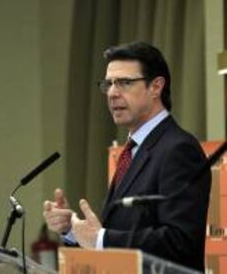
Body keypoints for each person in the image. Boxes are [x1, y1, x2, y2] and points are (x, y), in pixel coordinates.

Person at [43, 41, 211, 272]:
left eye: (124, 82)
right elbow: (121, 230)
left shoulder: (178, 149)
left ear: (156, 86)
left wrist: (101, 239)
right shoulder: (133, 150)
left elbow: (179, 241)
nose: (112, 93)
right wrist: (72, 230)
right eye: (109, 84)